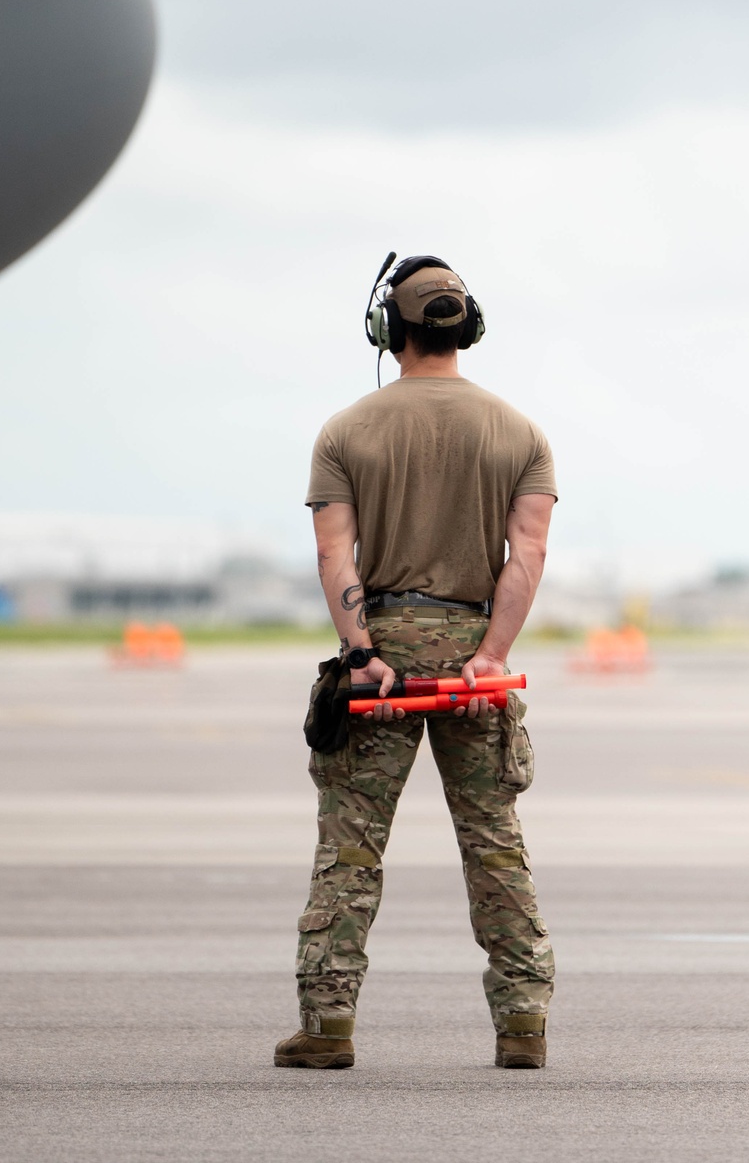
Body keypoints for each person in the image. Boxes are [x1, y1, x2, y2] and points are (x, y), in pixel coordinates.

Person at [274, 254, 557, 1072]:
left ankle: (327, 1024)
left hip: (384, 654)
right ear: (466, 327)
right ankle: (522, 1023)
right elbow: (527, 553)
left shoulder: (345, 431)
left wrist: (363, 656)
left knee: (351, 847)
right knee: (494, 842)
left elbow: (336, 557)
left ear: (386, 329)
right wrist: (490, 657)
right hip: (476, 652)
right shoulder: (521, 432)